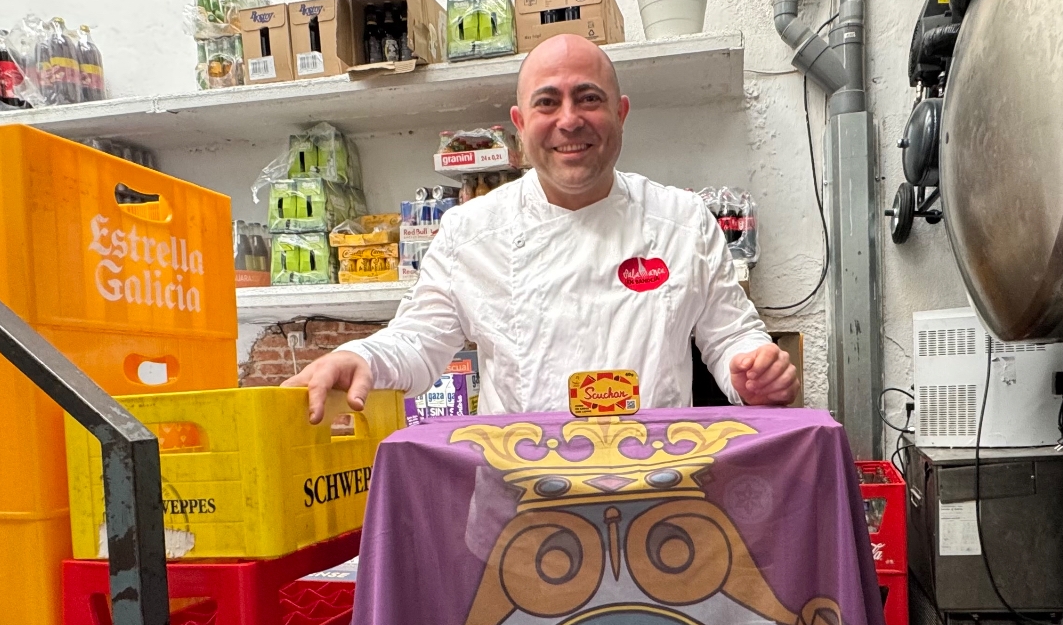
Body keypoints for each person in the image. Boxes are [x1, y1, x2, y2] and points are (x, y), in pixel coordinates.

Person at [284, 33, 800, 420]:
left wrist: (754, 371)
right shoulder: (470, 231)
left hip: (659, 492)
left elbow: (732, 337)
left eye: (589, 98)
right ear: (520, 124)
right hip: (523, 502)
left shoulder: (682, 223)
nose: (569, 120)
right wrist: (359, 355)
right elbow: (418, 342)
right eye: (547, 102)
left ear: (620, 114)